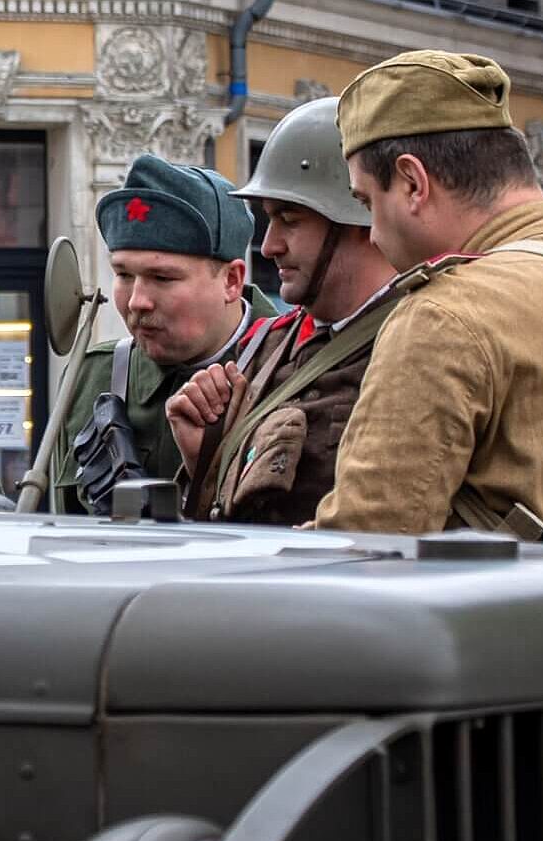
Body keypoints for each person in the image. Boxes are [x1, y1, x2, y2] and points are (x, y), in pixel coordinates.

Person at [312, 50, 543, 538]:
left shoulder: (444, 316)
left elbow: (367, 542)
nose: (371, 233)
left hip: (501, 612)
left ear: (413, 183)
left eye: (368, 201)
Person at [163, 97, 397, 524]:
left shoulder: (413, 344)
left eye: (289, 219)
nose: (269, 246)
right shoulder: (268, 346)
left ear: (356, 219)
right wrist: (207, 462)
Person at [47, 154, 272, 513]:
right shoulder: (94, 376)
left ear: (231, 280)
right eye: (123, 274)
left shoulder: (287, 371)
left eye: (162, 278)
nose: (137, 301)